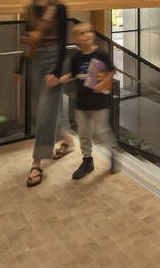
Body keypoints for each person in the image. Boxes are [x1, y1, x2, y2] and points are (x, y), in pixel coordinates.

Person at [48, 22, 120, 179]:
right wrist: (58, 80)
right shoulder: (77, 57)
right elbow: (73, 74)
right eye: (82, 33)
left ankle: (113, 151)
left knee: (101, 133)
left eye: (89, 31)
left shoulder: (101, 54)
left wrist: (102, 84)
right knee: (84, 135)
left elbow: (111, 71)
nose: (87, 34)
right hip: (81, 103)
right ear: (75, 39)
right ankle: (87, 161)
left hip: (99, 103)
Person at [21, 0, 73, 187]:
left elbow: (63, 42)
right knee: (49, 108)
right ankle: (68, 139)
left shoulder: (59, 8)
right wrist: (18, 68)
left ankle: (36, 162)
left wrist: (58, 71)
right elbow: (28, 42)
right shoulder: (29, 10)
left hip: (54, 60)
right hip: (36, 61)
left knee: (44, 112)